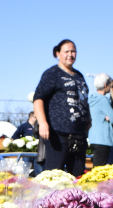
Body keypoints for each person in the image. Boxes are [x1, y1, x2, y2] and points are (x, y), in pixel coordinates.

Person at [33, 39, 91, 176]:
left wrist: (88, 118)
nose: (70, 54)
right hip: (57, 134)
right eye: (66, 51)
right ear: (58, 53)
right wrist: (42, 123)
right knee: (54, 176)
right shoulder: (52, 73)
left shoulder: (80, 76)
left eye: (73, 51)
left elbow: (83, 98)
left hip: (78, 135)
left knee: (77, 177)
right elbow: (38, 98)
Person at [88, 73, 113, 167]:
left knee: (96, 166)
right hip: (103, 139)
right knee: (100, 169)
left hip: (93, 137)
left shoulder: (91, 99)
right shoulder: (103, 100)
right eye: (110, 84)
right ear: (106, 85)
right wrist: (108, 117)